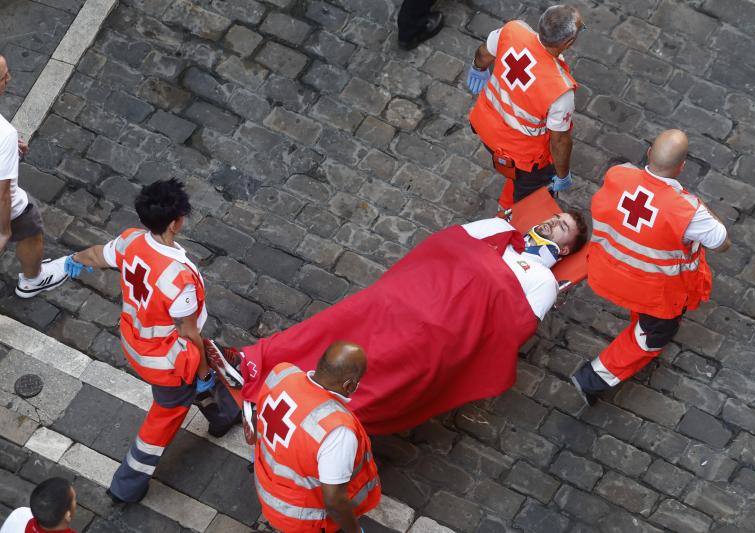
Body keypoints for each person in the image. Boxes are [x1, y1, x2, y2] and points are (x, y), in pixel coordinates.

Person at [210, 213, 587, 435]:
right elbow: (448, 243)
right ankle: (251, 363)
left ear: (566, 249)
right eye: (555, 218)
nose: (553, 222)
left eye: (562, 227)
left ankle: (297, 419)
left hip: (437, 331)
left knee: (376, 375)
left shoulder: (542, 280)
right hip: (404, 296)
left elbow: (509, 328)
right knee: (330, 328)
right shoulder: (498, 232)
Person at [58, 179, 240, 503]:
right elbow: (189, 333)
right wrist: (201, 375)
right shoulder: (179, 275)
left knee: (201, 372)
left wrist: (74, 260)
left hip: (135, 340)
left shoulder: (130, 241)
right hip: (167, 359)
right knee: (166, 415)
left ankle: (223, 416)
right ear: (176, 222)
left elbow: (99, 255)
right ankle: (126, 485)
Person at [571, 129, 730, 404]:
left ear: (648, 153)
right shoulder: (688, 212)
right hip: (654, 292)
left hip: (610, 270)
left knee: (643, 317)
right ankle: (592, 378)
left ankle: (637, 323)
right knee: (652, 337)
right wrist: (697, 206)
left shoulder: (618, 174)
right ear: (682, 166)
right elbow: (722, 241)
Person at [247, 342, 380, 533]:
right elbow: (334, 501)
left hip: (267, 488)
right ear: (349, 385)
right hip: (301, 520)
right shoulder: (337, 431)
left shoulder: (282, 372)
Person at [466, 5, 584, 209]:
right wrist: (562, 174)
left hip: (485, 128)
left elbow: (484, 54)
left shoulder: (512, 30)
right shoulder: (560, 90)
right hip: (521, 156)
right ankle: (511, 221)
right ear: (569, 42)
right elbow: (559, 142)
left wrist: (478, 68)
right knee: (530, 199)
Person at [0, 54, 68, 297]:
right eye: (3, 76)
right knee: (30, 228)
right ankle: (33, 280)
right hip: (9, 206)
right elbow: (3, 194)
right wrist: (4, 230)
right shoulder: (3, 134)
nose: (9, 78)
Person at [0, 477, 77, 533]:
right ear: (68, 515)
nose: (75, 501)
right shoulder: (21, 513)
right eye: (74, 499)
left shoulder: (22, 515)